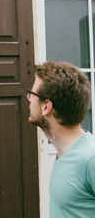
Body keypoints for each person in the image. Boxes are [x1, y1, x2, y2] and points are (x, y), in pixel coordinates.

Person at [27, 61, 95, 217]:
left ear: (46, 107)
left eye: (32, 94)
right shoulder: (64, 153)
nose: (29, 99)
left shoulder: (90, 158)